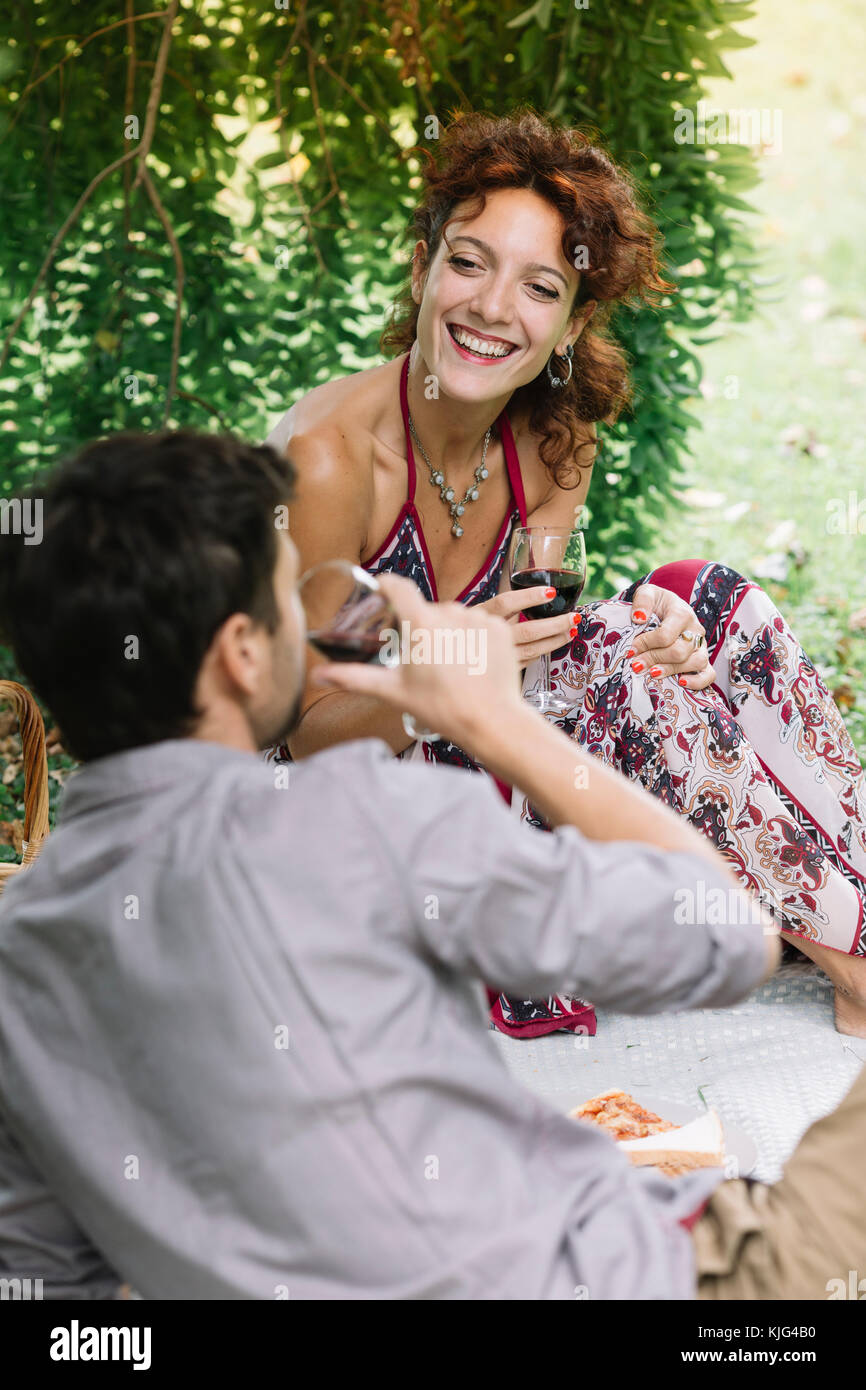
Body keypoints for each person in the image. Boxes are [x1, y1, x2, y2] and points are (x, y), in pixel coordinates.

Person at [0, 427, 862, 1302]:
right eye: (288, 602)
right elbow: (723, 936)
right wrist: (495, 722)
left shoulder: (17, 951)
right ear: (242, 653)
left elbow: (44, 1277)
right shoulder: (363, 818)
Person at [265, 107, 866, 1040]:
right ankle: (853, 962)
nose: (494, 308)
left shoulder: (553, 443)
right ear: (423, 269)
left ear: (574, 318)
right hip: (340, 811)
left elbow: (548, 632)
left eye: (539, 287)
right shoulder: (334, 462)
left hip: (495, 759)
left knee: (712, 600)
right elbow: (300, 737)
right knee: (620, 648)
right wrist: (451, 684)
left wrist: (656, 625)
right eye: (468, 263)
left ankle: (846, 908)